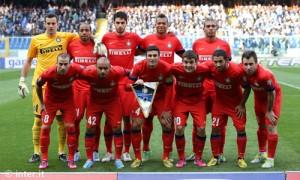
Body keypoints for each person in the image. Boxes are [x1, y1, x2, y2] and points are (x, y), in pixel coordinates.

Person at [18, 13, 77, 163]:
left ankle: (61, 151)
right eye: (48, 23)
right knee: (38, 119)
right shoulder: (36, 40)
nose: (51, 26)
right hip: (41, 84)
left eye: (53, 23)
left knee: (61, 120)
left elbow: (84, 37)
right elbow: (29, 60)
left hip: (58, 86)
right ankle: (37, 152)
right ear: (44, 24)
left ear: (57, 24)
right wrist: (22, 80)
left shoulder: (66, 36)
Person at [139, 13, 185, 161]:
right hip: (146, 86)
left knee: (167, 121)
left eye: (163, 23)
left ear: (168, 25)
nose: (161, 25)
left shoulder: (174, 40)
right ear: (155, 24)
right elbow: (133, 53)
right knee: (146, 120)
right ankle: (145, 148)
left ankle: (168, 152)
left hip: (166, 87)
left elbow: (185, 57)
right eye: (158, 23)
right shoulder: (146, 40)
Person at [188, 17, 232, 162]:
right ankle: (196, 152)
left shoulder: (224, 45)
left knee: (219, 122)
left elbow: (228, 67)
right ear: (204, 28)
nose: (211, 28)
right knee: (198, 122)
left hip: (218, 90)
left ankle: (220, 152)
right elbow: (193, 65)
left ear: (217, 27)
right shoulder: (197, 44)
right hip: (201, 89)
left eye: (213, 25)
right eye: (208, 26)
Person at [101, 11, 142, 162]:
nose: (119, 25)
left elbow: (145, 49)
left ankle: (126, 151)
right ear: (114, 23)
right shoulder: (106, 38)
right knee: (109, 120)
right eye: (117, 22)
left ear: (126, 23)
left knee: (127, 119)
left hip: (128, 84)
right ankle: (108, 151)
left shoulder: (134, 37)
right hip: (111, 83)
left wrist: (134, 52)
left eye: (122, 23)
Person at [129, 45, 174, 168]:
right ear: (146, 57)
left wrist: (167, 107)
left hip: (161, 97)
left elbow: (170, 86)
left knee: (167, 124)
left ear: (159, 57)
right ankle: (139, 156)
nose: (152, 58)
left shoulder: (166, 68)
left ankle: (165, 156)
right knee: (137, 124)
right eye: (150, 56)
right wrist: (135, 83)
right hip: (145, 94)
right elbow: (127, 84)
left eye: (155, 56)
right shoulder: (138, 66)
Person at [36, 53, 83, 169]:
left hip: (68, 102)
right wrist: (42, 104)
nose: (62, 67)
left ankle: (71, 159)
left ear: (69, 64)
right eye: (60, 64)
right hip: (50, 102)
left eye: (65, 64)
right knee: (45, 128)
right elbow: (38, 85)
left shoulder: (76, 69)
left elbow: (88, 72)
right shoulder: (48, 73)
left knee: (71, 127)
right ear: (56, 63)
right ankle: (44, 160)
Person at [205, 49, 250, 169]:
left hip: (235, 105)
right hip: (219, 104)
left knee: (241, 129)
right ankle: (215, 156)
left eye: (220, 61)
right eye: (215, 62)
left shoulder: (237, 71)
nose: (218, 64)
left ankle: (241, 158)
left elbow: (247, 88)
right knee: (215, 129)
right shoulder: (211, 68)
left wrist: (241, 105)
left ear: (226, 60)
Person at [80, 57, 127, 169]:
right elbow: (74, 72)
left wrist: (137, 80)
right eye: (100, 68)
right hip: (94, 103)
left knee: (116, 127)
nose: (102, 71)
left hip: (112, 103)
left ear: (110, 67)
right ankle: (90, 158)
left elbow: (131, 73)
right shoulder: (88, 72)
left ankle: (118, 159)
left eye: (105, 68)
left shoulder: (117, 71)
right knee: (90, 128)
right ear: (95, 67)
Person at [241, 50, 281, 168]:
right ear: (242, 64)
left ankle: (270, 159)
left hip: (272, 99)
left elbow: (272, 93)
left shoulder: (264, 75)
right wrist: (242, 104)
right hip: (258, 99)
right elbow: (247, 88)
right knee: (261, 126)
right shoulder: (243, 72)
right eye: (246, 64)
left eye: (251, 64)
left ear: (256, 63)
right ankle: (262, 153)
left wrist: (269, 111)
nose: (248, 67)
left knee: (271, 126)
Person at [171, 50, 209, 168]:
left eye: (191, 62)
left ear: (196, 62)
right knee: (179, 128)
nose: (188, 65)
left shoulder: (204, 69)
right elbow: (161, 70)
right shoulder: (175, 68)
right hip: (180, 101)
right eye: (185, 62)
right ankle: (181, 158)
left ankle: (198, 158)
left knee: (201, 129)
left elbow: (218, 71)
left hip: (198, 102)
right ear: (182, 62)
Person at [67, 22, 99, 162]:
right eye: (82, 30)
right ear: (78, 31)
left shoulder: (97, 46)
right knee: (76, 120)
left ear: (91, 32)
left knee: (94, 122)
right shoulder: (72, 45)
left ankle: (95, 150)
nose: (84, 32)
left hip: (93, 90)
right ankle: (75, 150)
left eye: (87, 30)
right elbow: (66, 64)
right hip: (78, 89)